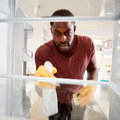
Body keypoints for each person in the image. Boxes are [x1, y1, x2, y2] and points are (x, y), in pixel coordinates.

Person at [35, 9, 98, 120]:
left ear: (74, 29)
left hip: (78, 97)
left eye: (68, 33)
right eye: (57, 33)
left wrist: (92, 85)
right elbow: (40, 90)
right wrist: (42, 83)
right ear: (51, 31)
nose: (63, 39)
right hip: (56, 100)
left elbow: (93, 68)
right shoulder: (42, 52)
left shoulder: (88, 44)